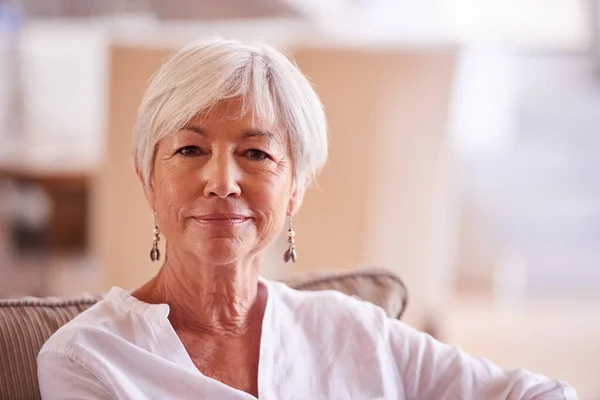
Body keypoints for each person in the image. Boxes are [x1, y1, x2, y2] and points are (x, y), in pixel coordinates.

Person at [37, 38, 578, 400]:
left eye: (256, 154)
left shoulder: (351, 329)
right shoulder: (88, 358)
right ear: (147, 179)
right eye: (189, 150)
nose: (222, 180)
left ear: (294, 189)